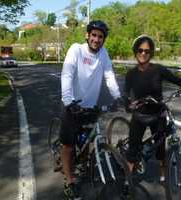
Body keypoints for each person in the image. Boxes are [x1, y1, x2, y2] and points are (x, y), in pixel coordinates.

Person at [60, 20, 121, 200]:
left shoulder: (103, 54)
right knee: (68, 146)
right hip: (73, 106)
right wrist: (68, 101)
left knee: (87, 141)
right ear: (87, 35)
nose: (96, 39)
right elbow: (67, 73)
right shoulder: (76, 49)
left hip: (90, 106)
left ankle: (85, 166)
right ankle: (70, 181)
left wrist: (117, 96)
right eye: (93, 35)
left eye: (100, 37)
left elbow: (109, 75)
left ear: (103, 40)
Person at [123, 34, 181, 183]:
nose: (143, 53)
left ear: (151, 53)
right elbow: (126, 93)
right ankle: (127, 180)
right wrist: (128, 104)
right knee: (132, 149)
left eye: (147, 51)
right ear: (135, 51)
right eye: (140, 50)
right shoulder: (130, 74)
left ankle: (163, 178)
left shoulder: (159, 69)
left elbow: (177, 80)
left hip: (158, 114)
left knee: (160, 148)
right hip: (140, 115)